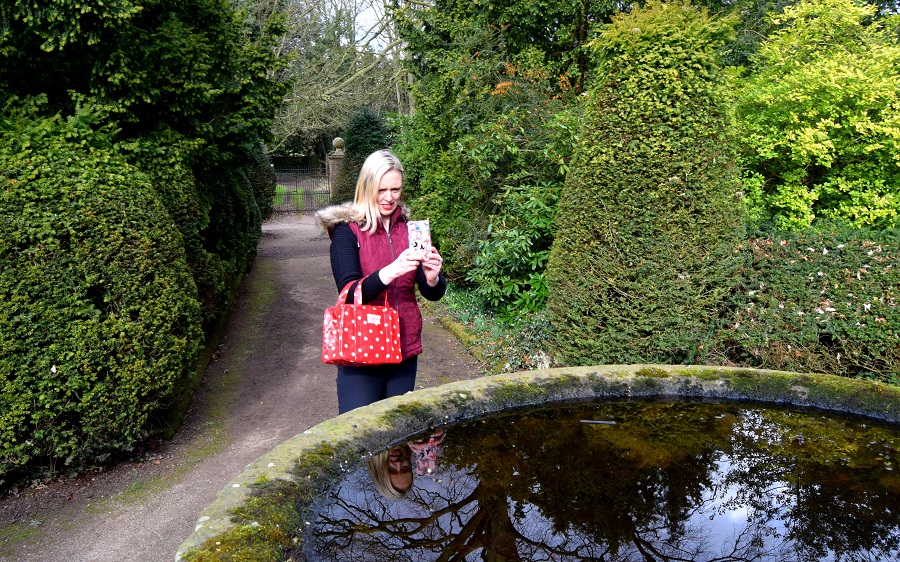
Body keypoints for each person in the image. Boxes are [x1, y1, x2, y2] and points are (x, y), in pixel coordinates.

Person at [315, 149, 446, 414]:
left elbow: (430, 291)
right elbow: (349, 293)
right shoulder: (346, 231)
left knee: (398, 440)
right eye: (381, 189)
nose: (389, 198)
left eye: (395, 190)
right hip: (361, 350)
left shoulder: (410, 229)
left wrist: (433, 279)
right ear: (366, 187)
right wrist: (391, 270)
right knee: (361, 438)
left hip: (404, 347)